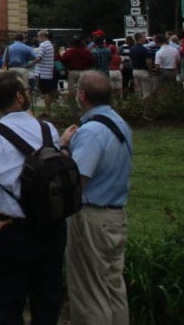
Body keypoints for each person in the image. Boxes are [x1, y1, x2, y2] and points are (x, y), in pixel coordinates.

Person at [0, 72, 66, 325]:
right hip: (52, 226)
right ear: (19, 96)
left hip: (12, 229)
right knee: (47, 300)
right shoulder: (48, 130)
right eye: (27, 89)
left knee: (7, 303)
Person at [58, 71, 133, 325]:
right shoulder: (120, 124)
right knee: (113, 287)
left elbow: (76, 179)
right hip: (114, 213)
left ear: (81, 95)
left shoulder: (90, 132)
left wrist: (64, 147)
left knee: (90, 293)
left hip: (91, 216)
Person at [32, 30, 57, 117]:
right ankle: (48, 110)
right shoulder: (50, 44)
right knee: (47, 92)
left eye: (38, 37)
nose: (37, 38)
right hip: (48, 72)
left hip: (42, 72)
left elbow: (39, 58)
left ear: (42, 36)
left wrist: (30, 64)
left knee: (45, 92)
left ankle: (47, 111)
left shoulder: (43, 45)